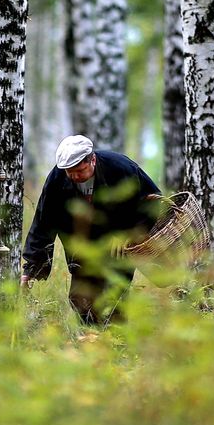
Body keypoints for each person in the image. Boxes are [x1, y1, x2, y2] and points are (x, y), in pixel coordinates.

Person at [21, 135, 163, 323]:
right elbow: (44, 222)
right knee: (80, 300)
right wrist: (31, 268)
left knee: (114, 299)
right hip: (81, 246)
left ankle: (116, 344)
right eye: (69, 173)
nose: (74, 176)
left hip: (118, 249)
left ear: (92, 160)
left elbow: (153, 203)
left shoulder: (121, 168)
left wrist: (128, 233)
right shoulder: (57, 177)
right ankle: (88, 342)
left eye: (79, 171)